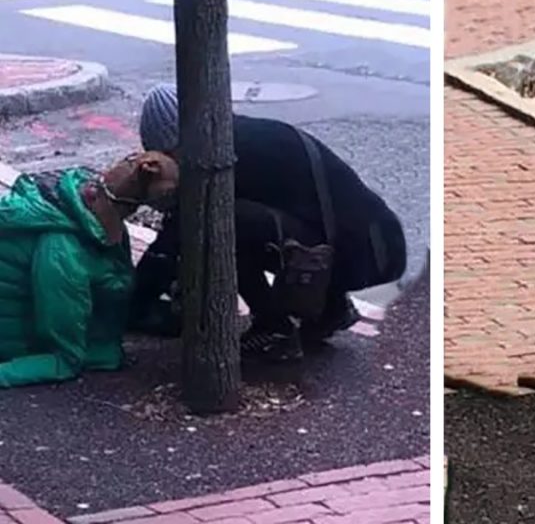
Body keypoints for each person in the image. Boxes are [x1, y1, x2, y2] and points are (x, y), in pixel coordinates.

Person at [130, 84, 407, 361]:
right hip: (376, 247)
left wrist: (132, 304)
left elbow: (178, 232)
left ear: (178, 144)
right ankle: (329, 309)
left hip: (369, 257)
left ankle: (275, 329)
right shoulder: (237, 136)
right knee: (247, 221)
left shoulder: (222, 159)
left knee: (219, 224)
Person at [0, 151, 180, 388]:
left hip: (33, 321)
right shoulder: (64, 247)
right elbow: (64, 350)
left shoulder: (83, 208)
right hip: (14, 337)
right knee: (76, 359)